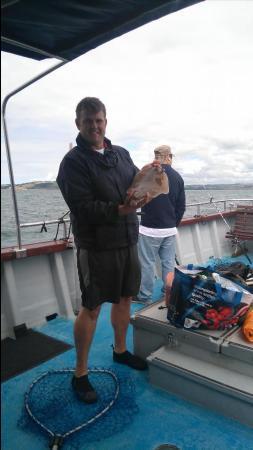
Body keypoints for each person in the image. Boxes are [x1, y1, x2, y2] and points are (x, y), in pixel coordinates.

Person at [57, 97, 153, 403]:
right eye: (88, 121)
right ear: (78, 124)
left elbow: (138, 183)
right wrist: (122, 209)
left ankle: (120, 350)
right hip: (96, 246)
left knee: (125, 298)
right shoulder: (72, 163)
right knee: (93, 306)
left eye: (99, 120)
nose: (94, 126)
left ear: (106, 122)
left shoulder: (121, 154)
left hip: (127, 240)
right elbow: (82, 208)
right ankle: (80, 373)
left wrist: (146, 192)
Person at [136, 145, 186, 305]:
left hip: (149, 229)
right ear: (169, 156)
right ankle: (168, 292)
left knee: (147, 264)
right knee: (168, 262)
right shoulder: (178, 177)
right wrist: (173, 224)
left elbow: (136, 196)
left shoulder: (148, 174)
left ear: (156, 156)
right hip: (169, 229)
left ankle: (145, 297)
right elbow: (181, 206)